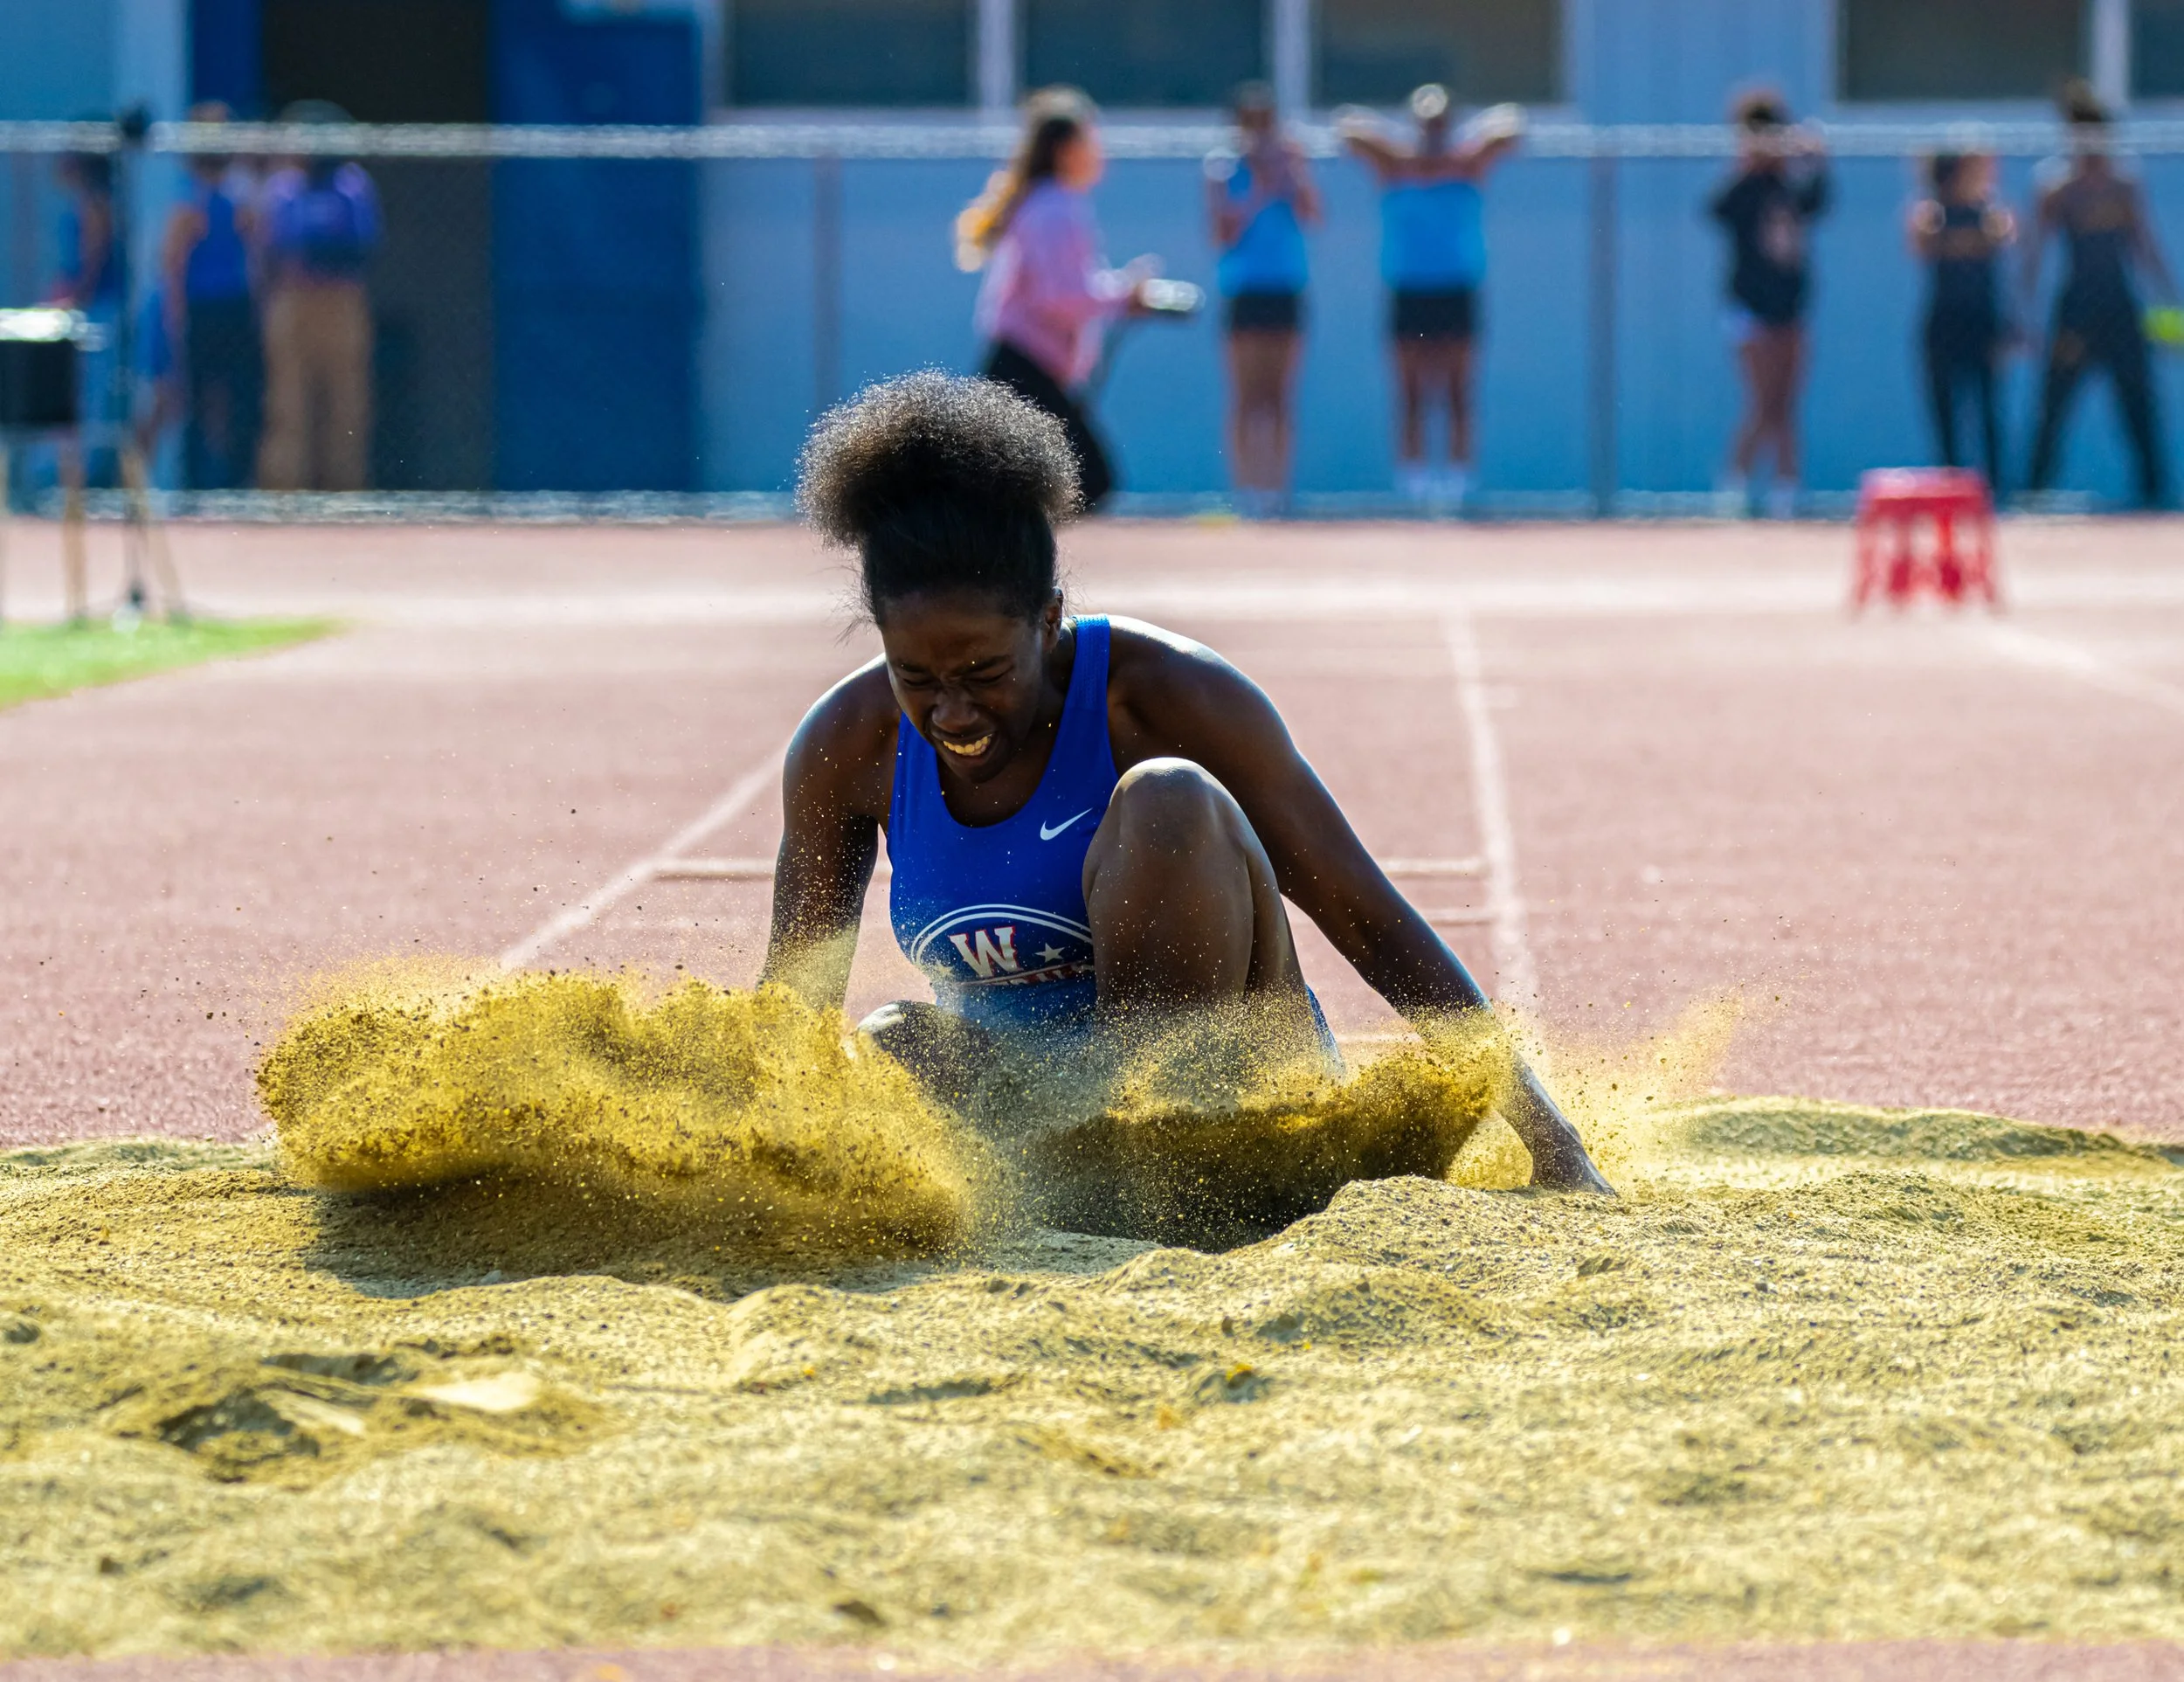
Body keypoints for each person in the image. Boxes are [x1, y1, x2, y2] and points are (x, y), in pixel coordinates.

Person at [762, 371, 1612, 1194]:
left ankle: (1162, 1170)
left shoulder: (1170, 696)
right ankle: (1067, 1187)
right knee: (892, 1041)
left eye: (985, 672)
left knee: (1168, 798)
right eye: (917, 677)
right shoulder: (848, 747)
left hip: (1236, 1115)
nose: (952, 712)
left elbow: (1365, 915)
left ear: (1049, 620)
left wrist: (1550, 1140)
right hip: (1039, 1133)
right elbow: (793, 1005)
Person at [956, 87, 1158, 512]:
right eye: (1091, 141)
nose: (1100, 153)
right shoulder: (1056, 207)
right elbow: (1061, 297)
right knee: (1087, 480)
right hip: (1024, 367)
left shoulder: (1047, 202)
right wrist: (1127, 293)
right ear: (1067, 150)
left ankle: (1016, 549)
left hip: (1024, 366)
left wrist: (1121, 295)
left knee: (1036, 488)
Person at [1340, 86, 1521, 515]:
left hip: (1456, 290)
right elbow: (1348, 126)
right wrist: (1407, 153)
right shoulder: (1396, 168)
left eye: (1439, 125)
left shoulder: (1466, 166)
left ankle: (1458, 484)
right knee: (1411, 392)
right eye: (1426, 125)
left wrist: (1456, 152)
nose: (1433, 133)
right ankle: (1414, 483)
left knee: (1458, 391)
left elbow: (1512, 124)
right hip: (1409, 291)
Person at [2025, 80, 2180, 509]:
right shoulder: (2056, 186)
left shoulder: (2124, 184)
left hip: (2120, 306)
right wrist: (2025, 314)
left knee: (2139, 400)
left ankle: (2154, 494)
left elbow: (2144, 245)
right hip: (2076, 309)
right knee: (2054, 403)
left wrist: (2169, 299)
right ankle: (2033, 492)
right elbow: (2034, 253)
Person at [1708, 90, 1829, 520]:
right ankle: (1735, 483)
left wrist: (1814, 160)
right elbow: (1716, 210)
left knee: (1786, 401)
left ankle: (1787, 488)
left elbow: (1817, 203)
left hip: (1789, 303)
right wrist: (1748, 164)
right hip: (1749, 306)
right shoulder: (1744, 188)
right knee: (1762, 400)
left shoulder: (1787, 187)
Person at [1206, 82, 1318, 518]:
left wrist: (1292, 173)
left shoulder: (1290, 165)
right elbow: (1221, 234)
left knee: (1280, 396)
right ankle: (1245, 490)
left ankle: (1277, 490)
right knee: (1246, 395)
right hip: (1244, 290)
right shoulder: (1223, 169)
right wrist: (1257, 186)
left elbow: (1312, 214)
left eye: (1266, 122)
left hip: (1285, 288)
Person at [255, 101, 381, 492]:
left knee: (346, 404)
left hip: (341, 301)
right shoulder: (284, 189)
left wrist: (318, 252)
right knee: (288, 404)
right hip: (295, 300)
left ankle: (344, 493)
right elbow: (274, 247)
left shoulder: (352, 186)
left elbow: (362, 246)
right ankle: (285, 495)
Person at [160, 103, 261, 489]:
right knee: (196, 398)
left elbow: (256, 254)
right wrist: (176, 318)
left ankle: (237, 483)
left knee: (241, 397)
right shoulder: (189, 198)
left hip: (235, 307)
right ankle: (196, 486)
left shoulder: (240, 194)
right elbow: (173, 265)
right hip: (201, 309)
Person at [1908, 151, 2014, 491]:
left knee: (1988, 411)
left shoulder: (1989, 214)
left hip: (1982, 321)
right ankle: (1950, 488)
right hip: (1944, 322)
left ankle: (1994, 491)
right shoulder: (1932, 214)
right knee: (1945, 414)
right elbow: (1920, 243)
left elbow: (2005, 236)